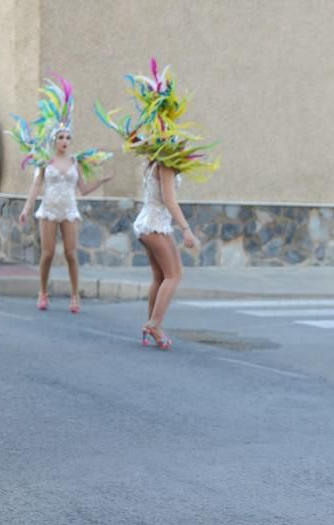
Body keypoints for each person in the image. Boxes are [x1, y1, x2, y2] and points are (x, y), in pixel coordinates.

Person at [96, 58, 218, 349]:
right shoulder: (164, 164)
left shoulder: (155, 161)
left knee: (160, 276)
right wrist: (186, 230)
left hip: (149, 222)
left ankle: (151, 324)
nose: (183, 145)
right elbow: (169, 200)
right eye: (178, 140)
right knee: (174, 275)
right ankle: (153, 325)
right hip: (154, 223)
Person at [9, 75, 113, 311]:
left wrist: (102, 180)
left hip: (68, 209)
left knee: (70, 253)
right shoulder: (45, 161)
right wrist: (27, 208)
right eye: (61, 137)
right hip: (48, 210)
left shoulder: (76, 162)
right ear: (54, 139)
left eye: (68, 137)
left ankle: (75, 296)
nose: (65, 141)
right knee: (46, 254)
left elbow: (84, 189)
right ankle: (43, 291)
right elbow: (36, 186)